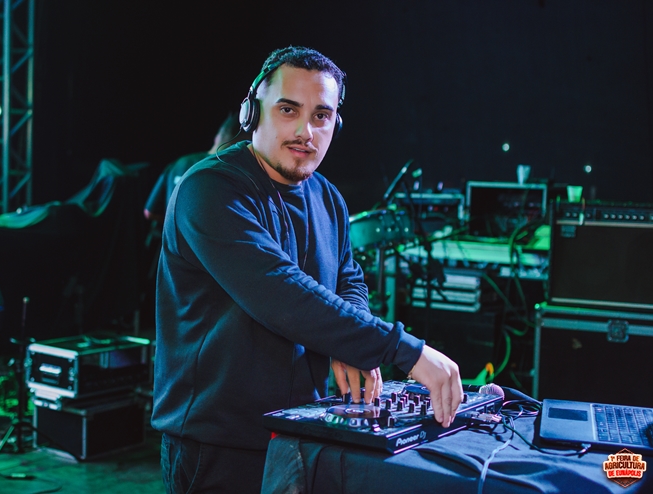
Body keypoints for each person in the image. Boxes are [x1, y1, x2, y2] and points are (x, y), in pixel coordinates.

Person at [152, 46, 462, 493]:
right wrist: (405, 351)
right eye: (288, 110)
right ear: (251, 113)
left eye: (321, 115)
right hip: (218, 444)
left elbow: (347, 280)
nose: (305, 131)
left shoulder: (328, 197)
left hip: (306, 428)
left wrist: (350, 346)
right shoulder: (209, 189)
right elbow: (280, 292)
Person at [143, 113, 242, 223]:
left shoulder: (178, 163)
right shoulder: (227, 170)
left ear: (217, 137)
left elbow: (149, 212)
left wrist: (175, 223)